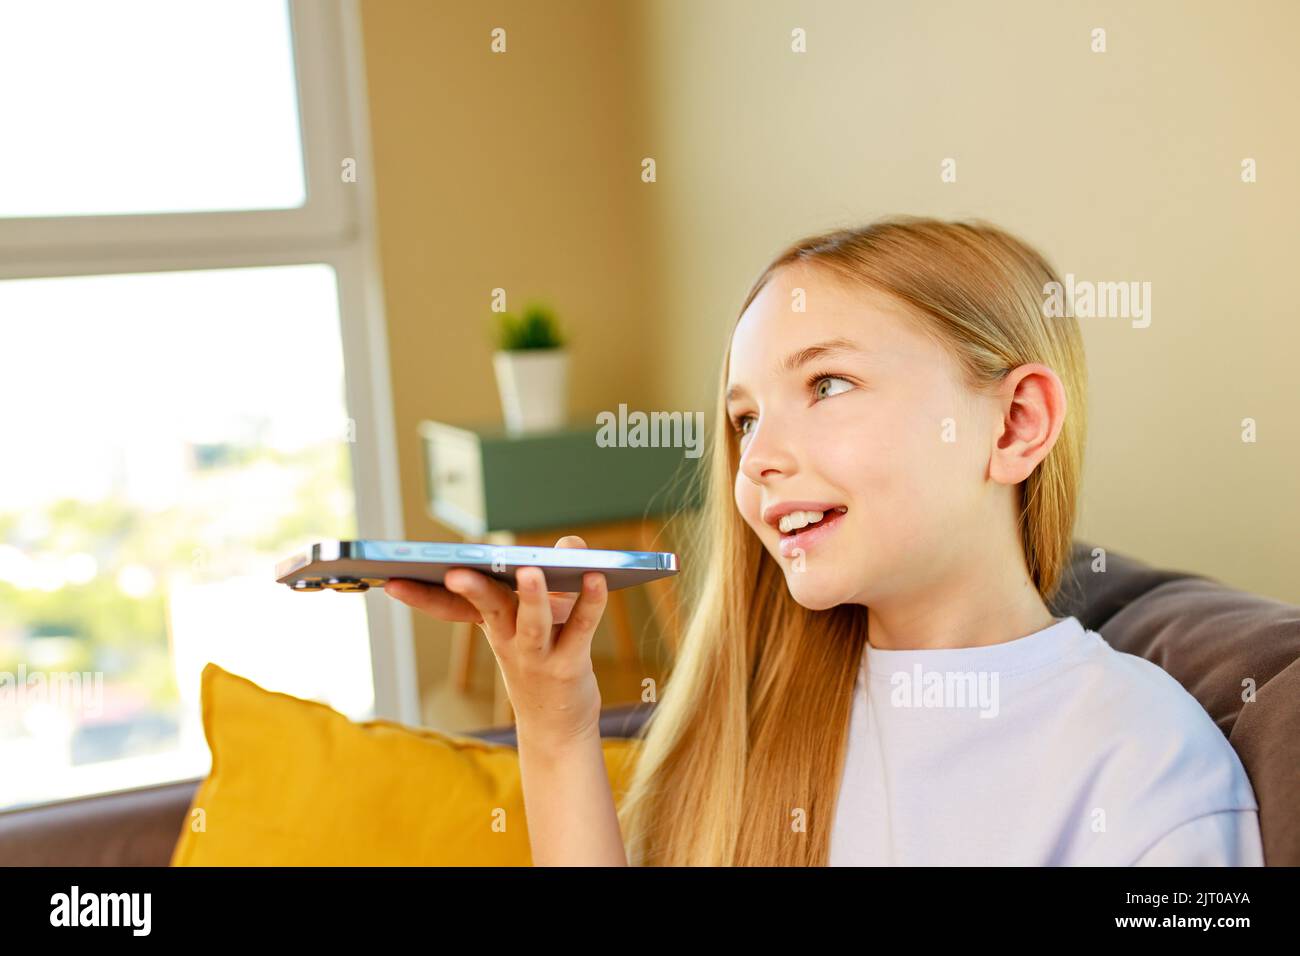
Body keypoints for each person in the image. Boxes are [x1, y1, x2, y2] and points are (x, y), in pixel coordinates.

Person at [385, 216, 1263, 866]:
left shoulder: (1148, 764)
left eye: (828, 382)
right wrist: (553, 728)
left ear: (1014, 425)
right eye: (744, 419)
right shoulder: (757, 722)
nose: (758, 457)